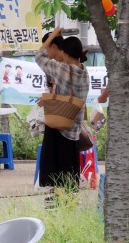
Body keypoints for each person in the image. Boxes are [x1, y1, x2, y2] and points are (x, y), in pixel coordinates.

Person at [35, 29, 90, 189]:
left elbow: (39, 56)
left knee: (54, 171)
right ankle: (69, 200)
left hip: (59, 125)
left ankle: (55, 200)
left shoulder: (62, 69)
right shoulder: (85, 73)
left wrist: (54, 34)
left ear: (65, 52)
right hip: (74, 130)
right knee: (70, 170)